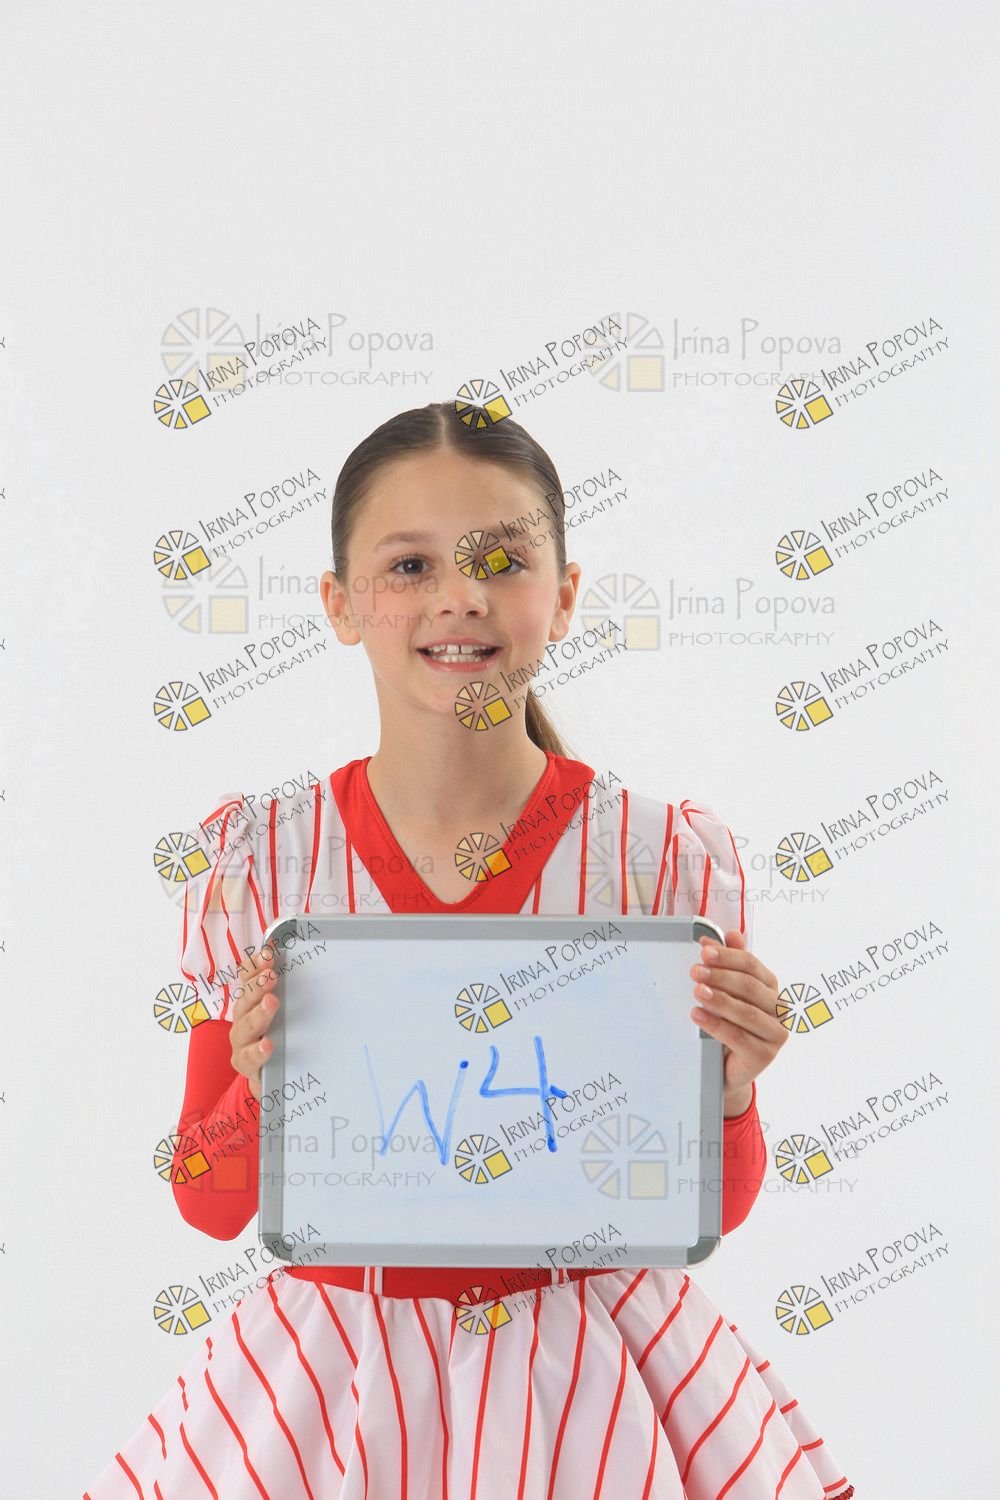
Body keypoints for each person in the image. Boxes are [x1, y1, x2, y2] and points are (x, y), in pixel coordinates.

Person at [83, 401, 855, 1499]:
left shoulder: (661, 858)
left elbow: (707, 1210)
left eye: (502, 559)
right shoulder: (261, 861)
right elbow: (207, 1202)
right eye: (410, 565)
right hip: (334, 1382)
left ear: (565, 595)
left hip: (591, 1372)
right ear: (340, 604)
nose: (461, 596)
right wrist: (259, 1086)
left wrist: (730, 1093)